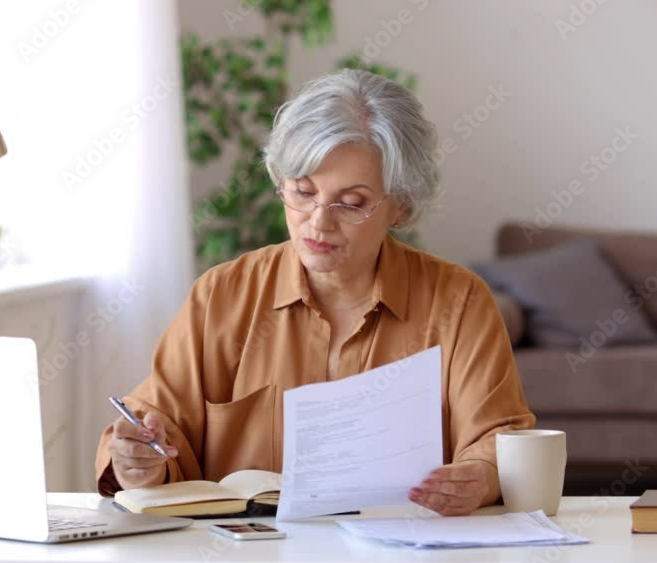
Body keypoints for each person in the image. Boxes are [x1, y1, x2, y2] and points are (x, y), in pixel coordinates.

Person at [94, 69, 535, 516]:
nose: (318, 222)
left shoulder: (458, 302)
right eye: (302, 192)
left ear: (400, 205)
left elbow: (499, 438)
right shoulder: (221, 296)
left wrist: (479, 477)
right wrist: (137, 463)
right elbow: (154, 424)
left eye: (352, 202)